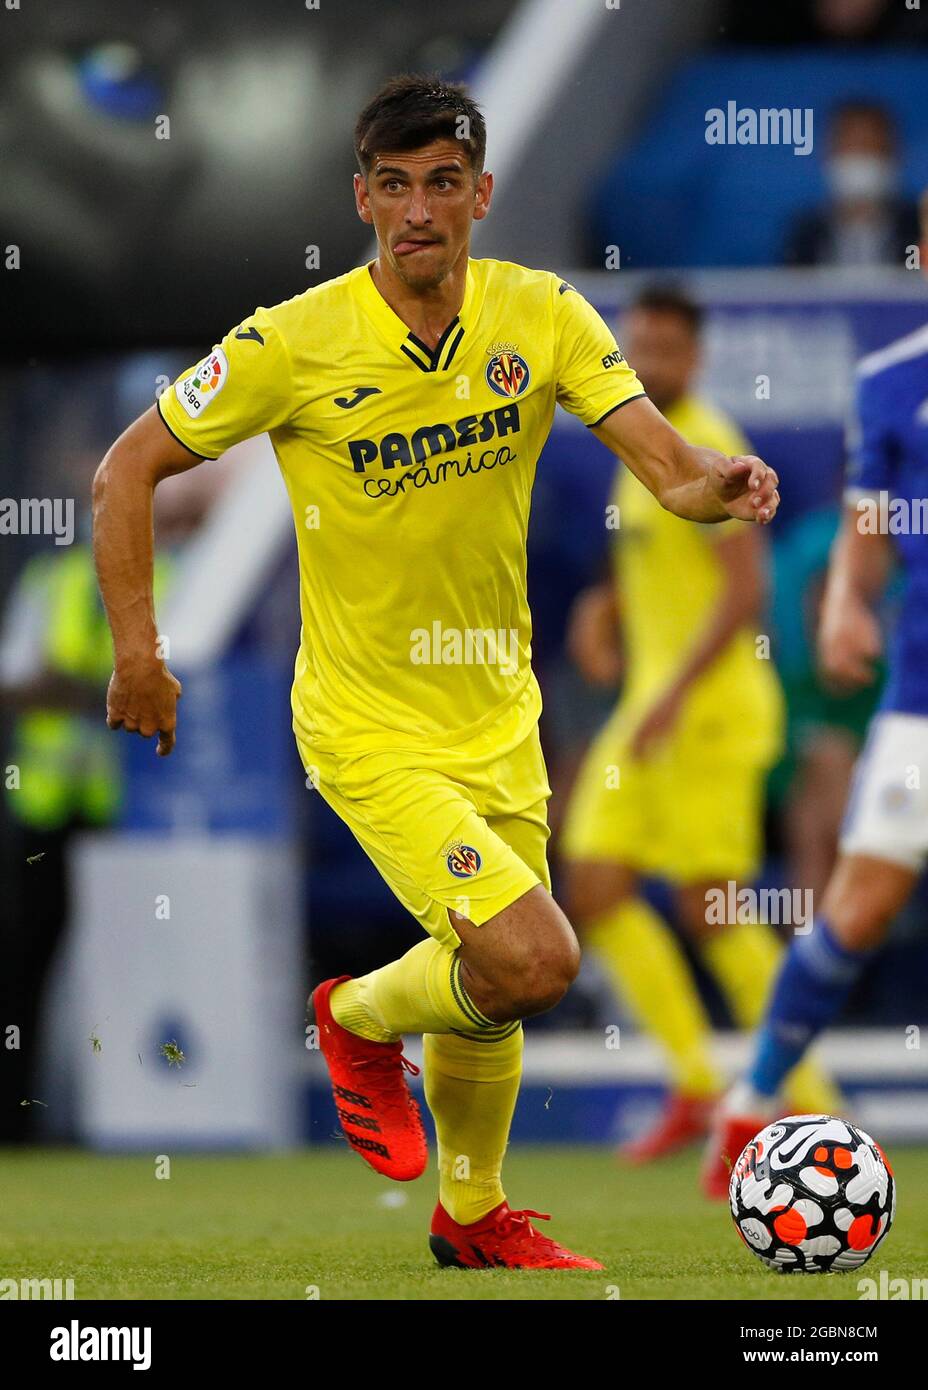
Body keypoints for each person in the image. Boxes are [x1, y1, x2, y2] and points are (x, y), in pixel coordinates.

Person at [91, 74, 780, 1271]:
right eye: (396, 186)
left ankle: (471, 1219)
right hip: (365, 722)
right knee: (532, 956)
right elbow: (122, 471)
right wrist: (140, 651)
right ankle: (354, 1016)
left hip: (498, 710)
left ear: (481, 195)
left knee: (497, 984)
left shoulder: (544, 314)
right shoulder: (290, 341)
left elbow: (665, 466)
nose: (419, 210)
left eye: (443, 184)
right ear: (363, 198)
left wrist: (714, 481)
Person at [559, 285, 837, 1164]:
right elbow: (656, 559)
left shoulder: (718, 447)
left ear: (697, 355)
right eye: (639, 344)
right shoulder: (639, 444)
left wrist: (672, 692)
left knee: (711, 909)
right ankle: (693, 1082)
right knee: (594, 885)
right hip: (653, 708)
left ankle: (816, 1109)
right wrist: (605, 606)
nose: (650, 361)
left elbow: (746, 590)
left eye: (668, 348)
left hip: (711, 713)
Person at [703, 189, 928, 1200]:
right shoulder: (889, 384)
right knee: (860, 905)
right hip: (918, 696)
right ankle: (751, 1100)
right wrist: (844, 599)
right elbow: (867, 521)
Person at [785, 102, 919, 269]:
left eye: (871, 147)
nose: (859, 158)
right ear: (828, 154)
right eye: (850, 147)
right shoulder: (805, 235)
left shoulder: (920, 229)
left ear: (894, 155)